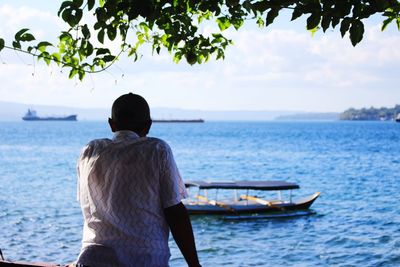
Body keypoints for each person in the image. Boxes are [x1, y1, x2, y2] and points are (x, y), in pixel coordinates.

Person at [76, 93, 201, 267]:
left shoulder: (89, 151)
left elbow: (87, 206)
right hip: (144, 260)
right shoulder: (157, 150)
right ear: (148, 125)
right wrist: (194, 265)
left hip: (92, 260)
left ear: (111, 124)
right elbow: (175, 212)